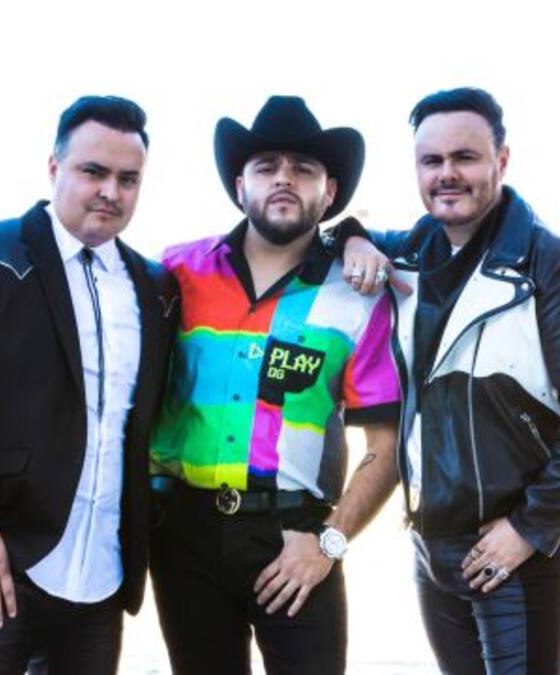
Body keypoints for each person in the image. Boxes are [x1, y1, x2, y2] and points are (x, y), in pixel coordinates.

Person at [337, 87, 560, 674]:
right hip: (431, 545)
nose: (447, 174)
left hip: (515, 549)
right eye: (431, 160)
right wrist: (351, 236)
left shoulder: (551, 266)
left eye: (464, 157)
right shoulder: (411, 252)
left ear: (502, 161)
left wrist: (529, 528)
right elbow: (326, 237)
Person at [0, 95, 178, 674]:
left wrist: (349, 236)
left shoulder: (156, 289)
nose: (111, 192)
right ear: (54, 167)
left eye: (128, 179)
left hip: (100, 577)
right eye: (93, 171)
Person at [148, 95, 402, 675]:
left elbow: (386, 447)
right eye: (267, 167)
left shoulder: (358, 296)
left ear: (329, 193)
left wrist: (330, 542)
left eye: (303, 169)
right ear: (241, 187)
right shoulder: (176, 272)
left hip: (297, 538)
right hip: (184, 536)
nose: (284, 178)